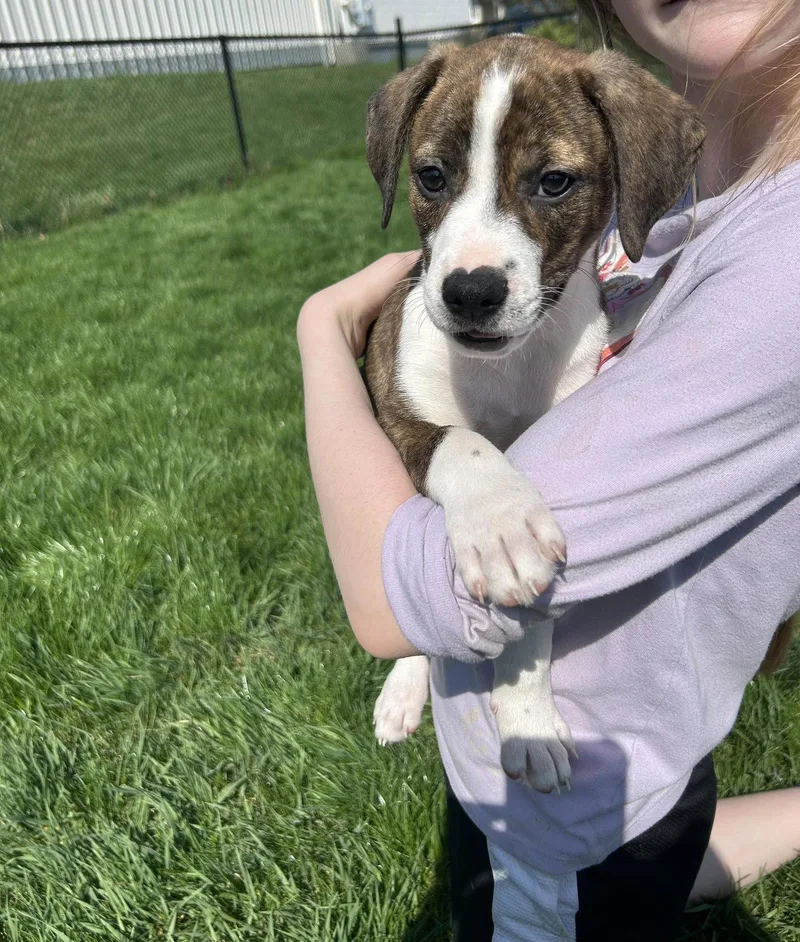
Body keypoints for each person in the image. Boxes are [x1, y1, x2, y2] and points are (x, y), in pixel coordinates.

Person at [297, 1, 800, 938]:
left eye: (553, 183)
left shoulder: (767, 263)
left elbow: (403, 581)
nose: (473, 257)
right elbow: (410, 425)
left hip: (573, 795)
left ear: (629, 173)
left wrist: (319, 331)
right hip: (610, 756)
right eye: (438, 180)